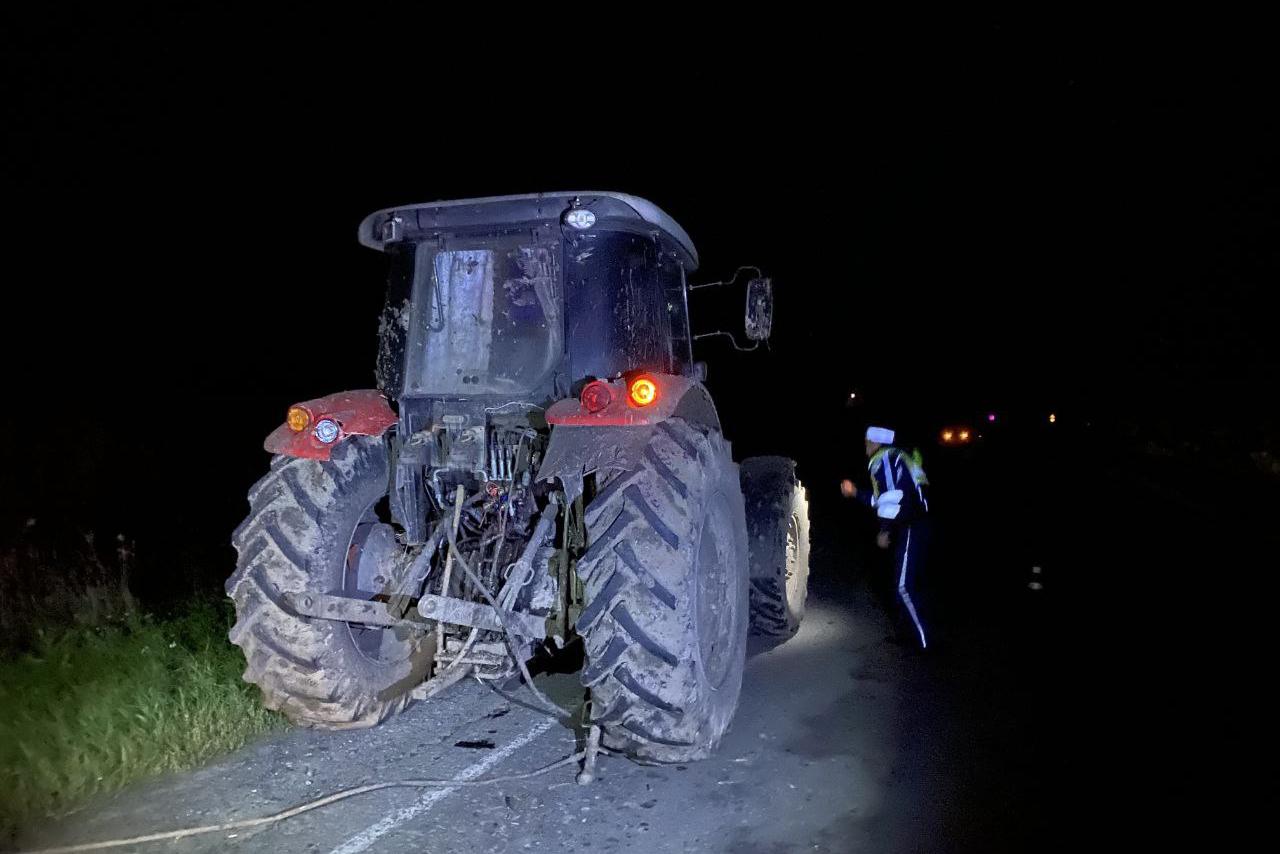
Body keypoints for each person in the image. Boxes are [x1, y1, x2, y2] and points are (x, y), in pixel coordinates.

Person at [840, 425, 931, 649]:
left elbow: (893, 498)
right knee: (902, 583)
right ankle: (907, 635)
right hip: (912, 524)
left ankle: (924, 642)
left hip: (908, 525)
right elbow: (879, 499)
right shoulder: (895, 457)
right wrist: (856, 493)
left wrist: (885, 530)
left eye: (867, 442)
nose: (865, 446)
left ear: (876, 443)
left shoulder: (884, 459)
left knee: (903, 587)